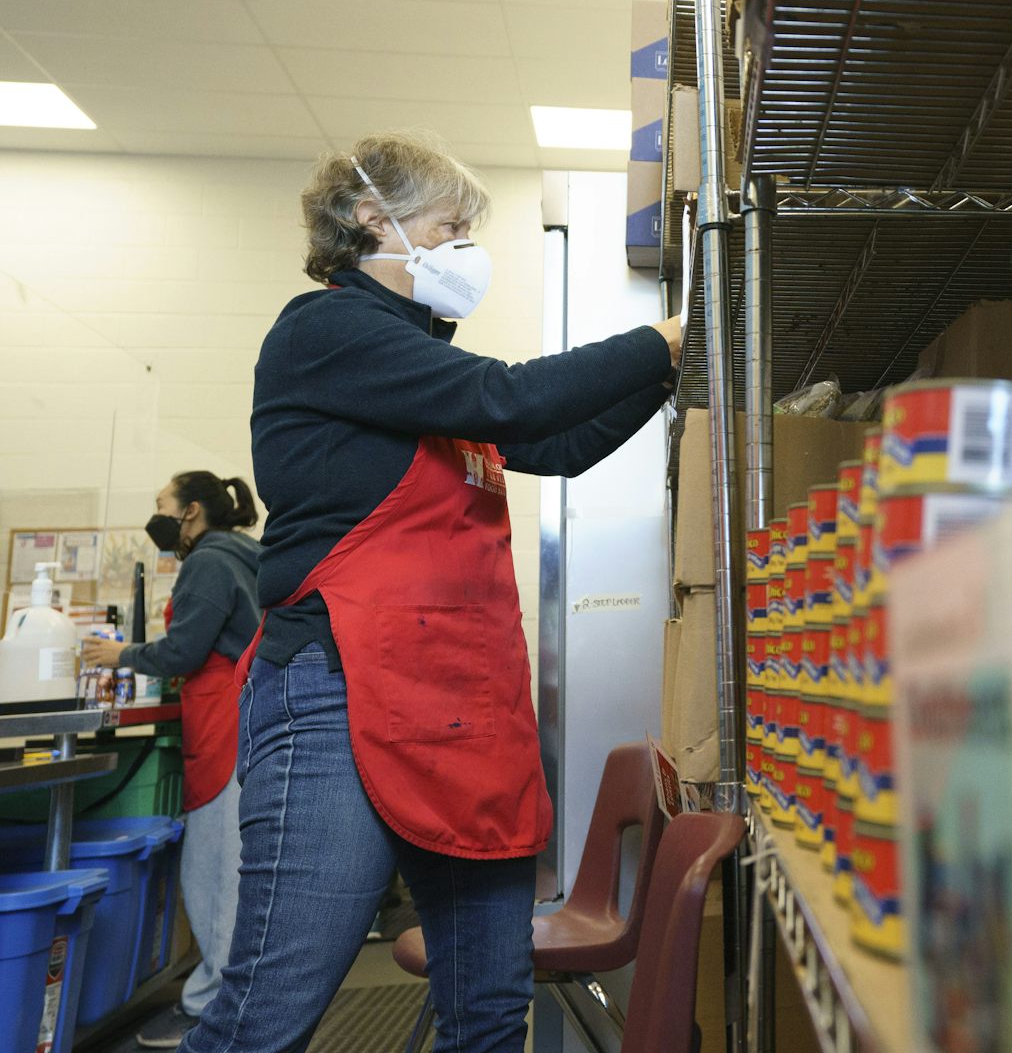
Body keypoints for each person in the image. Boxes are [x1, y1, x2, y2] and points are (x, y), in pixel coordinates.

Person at [181, 133, 682, 1052]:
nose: (464, 249)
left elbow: (555, 445)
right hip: (342, 694)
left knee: (489, 1009)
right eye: (449, 226)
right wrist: (659, 336)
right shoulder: (325, 331)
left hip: (463, 710)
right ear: (374, 221)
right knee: (270, 1008)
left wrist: (668, 373)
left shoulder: (420, 382)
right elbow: (513, 400)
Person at [81, 472, 261, 1049]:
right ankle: (225, 1000)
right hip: (246, 718)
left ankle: (210, 1010)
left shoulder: (208, 561)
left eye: (161, 504)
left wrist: (121, 653)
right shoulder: (247, 553)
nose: (155, 514)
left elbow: (183, 649)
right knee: (232, 874)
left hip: (223, 723)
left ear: (189, 513)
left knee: (211, 876)